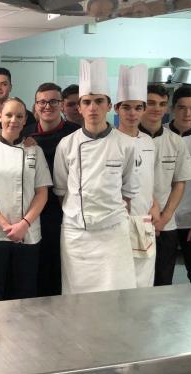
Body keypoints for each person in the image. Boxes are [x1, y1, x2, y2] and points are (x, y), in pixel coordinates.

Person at [53, 58, 139, 294]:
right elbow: (62, 191)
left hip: (113, 232)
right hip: (76, 233)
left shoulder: (127, 145)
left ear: (109, 106)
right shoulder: (66, 145)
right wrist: (79, 216)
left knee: (116, 292)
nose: (93, 108)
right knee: (76, 293)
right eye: (87, 102)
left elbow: (128, 192)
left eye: (99, 101)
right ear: (79, 108)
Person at [0, 97, 51, 301]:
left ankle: (22, 333)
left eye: (19, 116)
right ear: (0, 117)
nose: (13, 120)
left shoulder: (34, 150)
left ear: (25, 121)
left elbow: (42, 192)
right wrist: (5, 225)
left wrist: (24, 224)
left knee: (25, 290)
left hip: (28, 232)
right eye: (9, 115)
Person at [22, 83, 80, 296]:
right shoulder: (24, 134)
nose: (47, 106)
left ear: (62, 105)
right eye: (42, 102)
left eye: (53, 101)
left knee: (58, 263)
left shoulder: (75, 134)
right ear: (35, 106)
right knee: (33, 265)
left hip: (64, 210)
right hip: (31, 209)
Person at [139, 84, 191, 286]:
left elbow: (180, 182)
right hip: (137, 221)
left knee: (163, 280)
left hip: (170, 222)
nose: (156, 108)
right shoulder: (128, 139)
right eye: (150, 103)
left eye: (161, 104)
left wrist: (164, 218)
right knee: (136, 280)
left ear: (166, 108)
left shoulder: (175, 142)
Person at [114, 64, 158, 288]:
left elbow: (150, 181)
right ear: (116, 109)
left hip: (145, 220)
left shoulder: (148, 142)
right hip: (117, 223)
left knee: (144, 281)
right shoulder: (110, 142)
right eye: (127, 107)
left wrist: (156, 205)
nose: (132, 113)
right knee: (120, 281)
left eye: (138, 107)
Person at [167, 85, 191, 283]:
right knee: (160, 276)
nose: (187, 113)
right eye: (182, 107)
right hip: (162, 219)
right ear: (172, 108)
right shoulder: (160, 135)